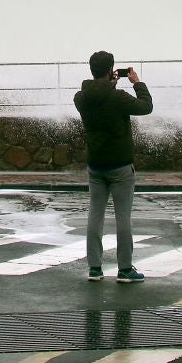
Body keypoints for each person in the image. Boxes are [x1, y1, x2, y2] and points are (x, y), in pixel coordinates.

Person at [74, 50, 153, 283]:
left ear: (91, 70)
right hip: (120, 166)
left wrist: (107, 83)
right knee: (122, 218)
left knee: (95, 215)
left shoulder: (80, 98)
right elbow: (146, 106)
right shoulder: (118, 97)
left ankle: (95, 268)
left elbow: (97, 96)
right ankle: (125, 269)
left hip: (96, 165)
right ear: (111, 70)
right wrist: (137, 83)